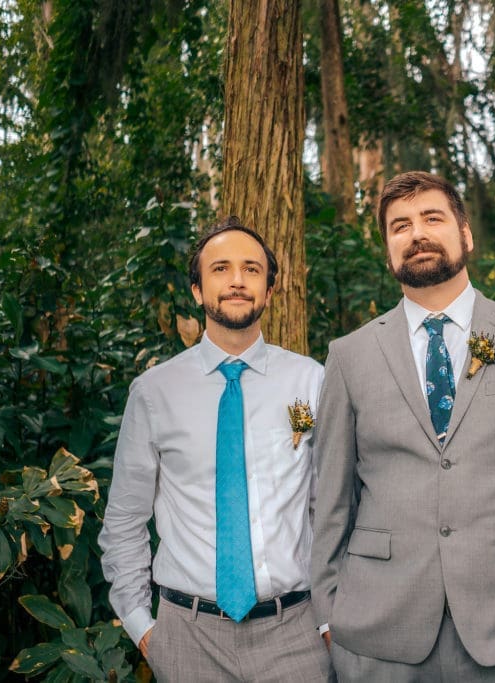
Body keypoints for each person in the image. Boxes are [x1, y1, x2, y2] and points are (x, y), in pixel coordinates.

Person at [311, 171, 495, 682]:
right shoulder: (348, 356)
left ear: (465, 234)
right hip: (379, 635)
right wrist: (330, 614)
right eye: (400, 226)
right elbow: (331, 497)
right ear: (388, 249)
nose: (416, 233)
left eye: (432, 218)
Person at [98, 217, 333, 682]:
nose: (237, 281)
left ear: (270, 289)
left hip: (296, 635)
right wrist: (144, 628)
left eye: (251, 269)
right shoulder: (154, 392)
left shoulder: (311, 381)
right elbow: (124, 520)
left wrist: (329, 620)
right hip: (188, 637)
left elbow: (330, 510)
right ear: (197, 291)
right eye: (221, 269)